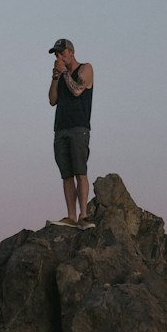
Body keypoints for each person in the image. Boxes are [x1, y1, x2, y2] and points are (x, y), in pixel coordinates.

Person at [48, 37, 94, 228]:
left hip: (78, 127)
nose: (59, 56)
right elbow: (52, 100)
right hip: (61, 128)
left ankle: (83, 215)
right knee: (66, 174)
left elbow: (77, 91)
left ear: (71, 52)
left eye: (61, 52)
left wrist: (65, 72)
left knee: (80, 171)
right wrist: (55, 77)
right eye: (57, 54)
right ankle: (71, 216)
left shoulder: (85, 68)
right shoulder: (60, 74)